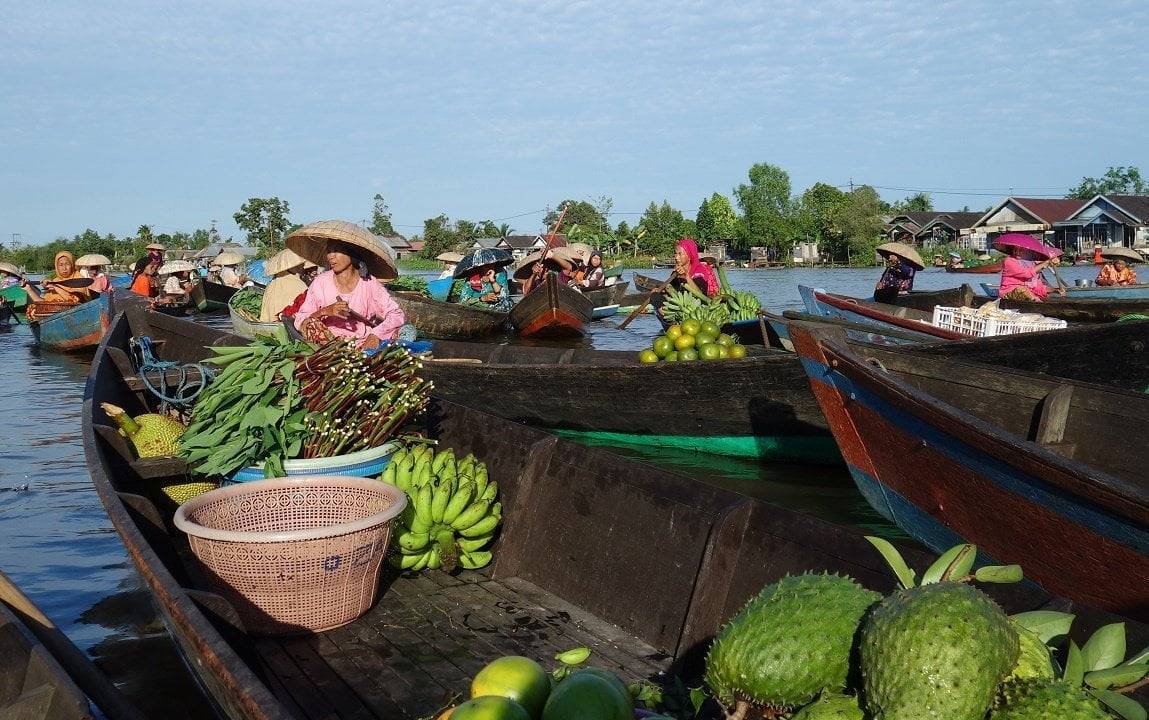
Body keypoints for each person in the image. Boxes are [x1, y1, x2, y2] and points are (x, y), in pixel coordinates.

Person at [291, 233, 405, 350]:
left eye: (336, 250)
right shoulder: (321, 282)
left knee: (400, 331)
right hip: (327, 345)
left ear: (352, 253)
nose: (331, 256)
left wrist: (376, 334)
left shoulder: (369, 283)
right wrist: (324, 311)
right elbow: (300, 319)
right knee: (309, 323)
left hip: (362, 343)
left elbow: (396, 315)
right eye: (329, 251)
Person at [21, 251, 93, 304]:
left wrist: (56, 287)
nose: (64, 268)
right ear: (56, 267)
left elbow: (74, 300)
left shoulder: (79, 279)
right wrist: (28, 289)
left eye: (67, 264)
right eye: (60, 265)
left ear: (72, 265)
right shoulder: (56, 280)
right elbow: (43, 303)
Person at [260, 249, 311, 323]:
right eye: (300, 266)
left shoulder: (272, 283)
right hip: (289, 327)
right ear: (293, 267)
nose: (303, 268)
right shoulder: (297, 284)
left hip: (269, 326)